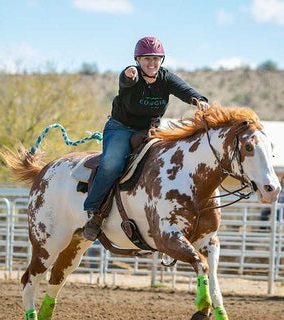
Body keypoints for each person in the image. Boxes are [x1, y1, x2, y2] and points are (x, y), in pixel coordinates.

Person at [83, 36, 210, 240]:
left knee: (168, 162)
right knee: (112, 165)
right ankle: (94, 212)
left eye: (155, 59)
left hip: (149, 130)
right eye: (146, 59)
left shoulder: (166, 78)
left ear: (162, 61)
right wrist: (128, 76)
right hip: (120, 128)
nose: (151, 63)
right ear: (137, 60)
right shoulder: (131, 76)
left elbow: (185, 91)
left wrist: (201, 101)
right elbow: (126, 81)